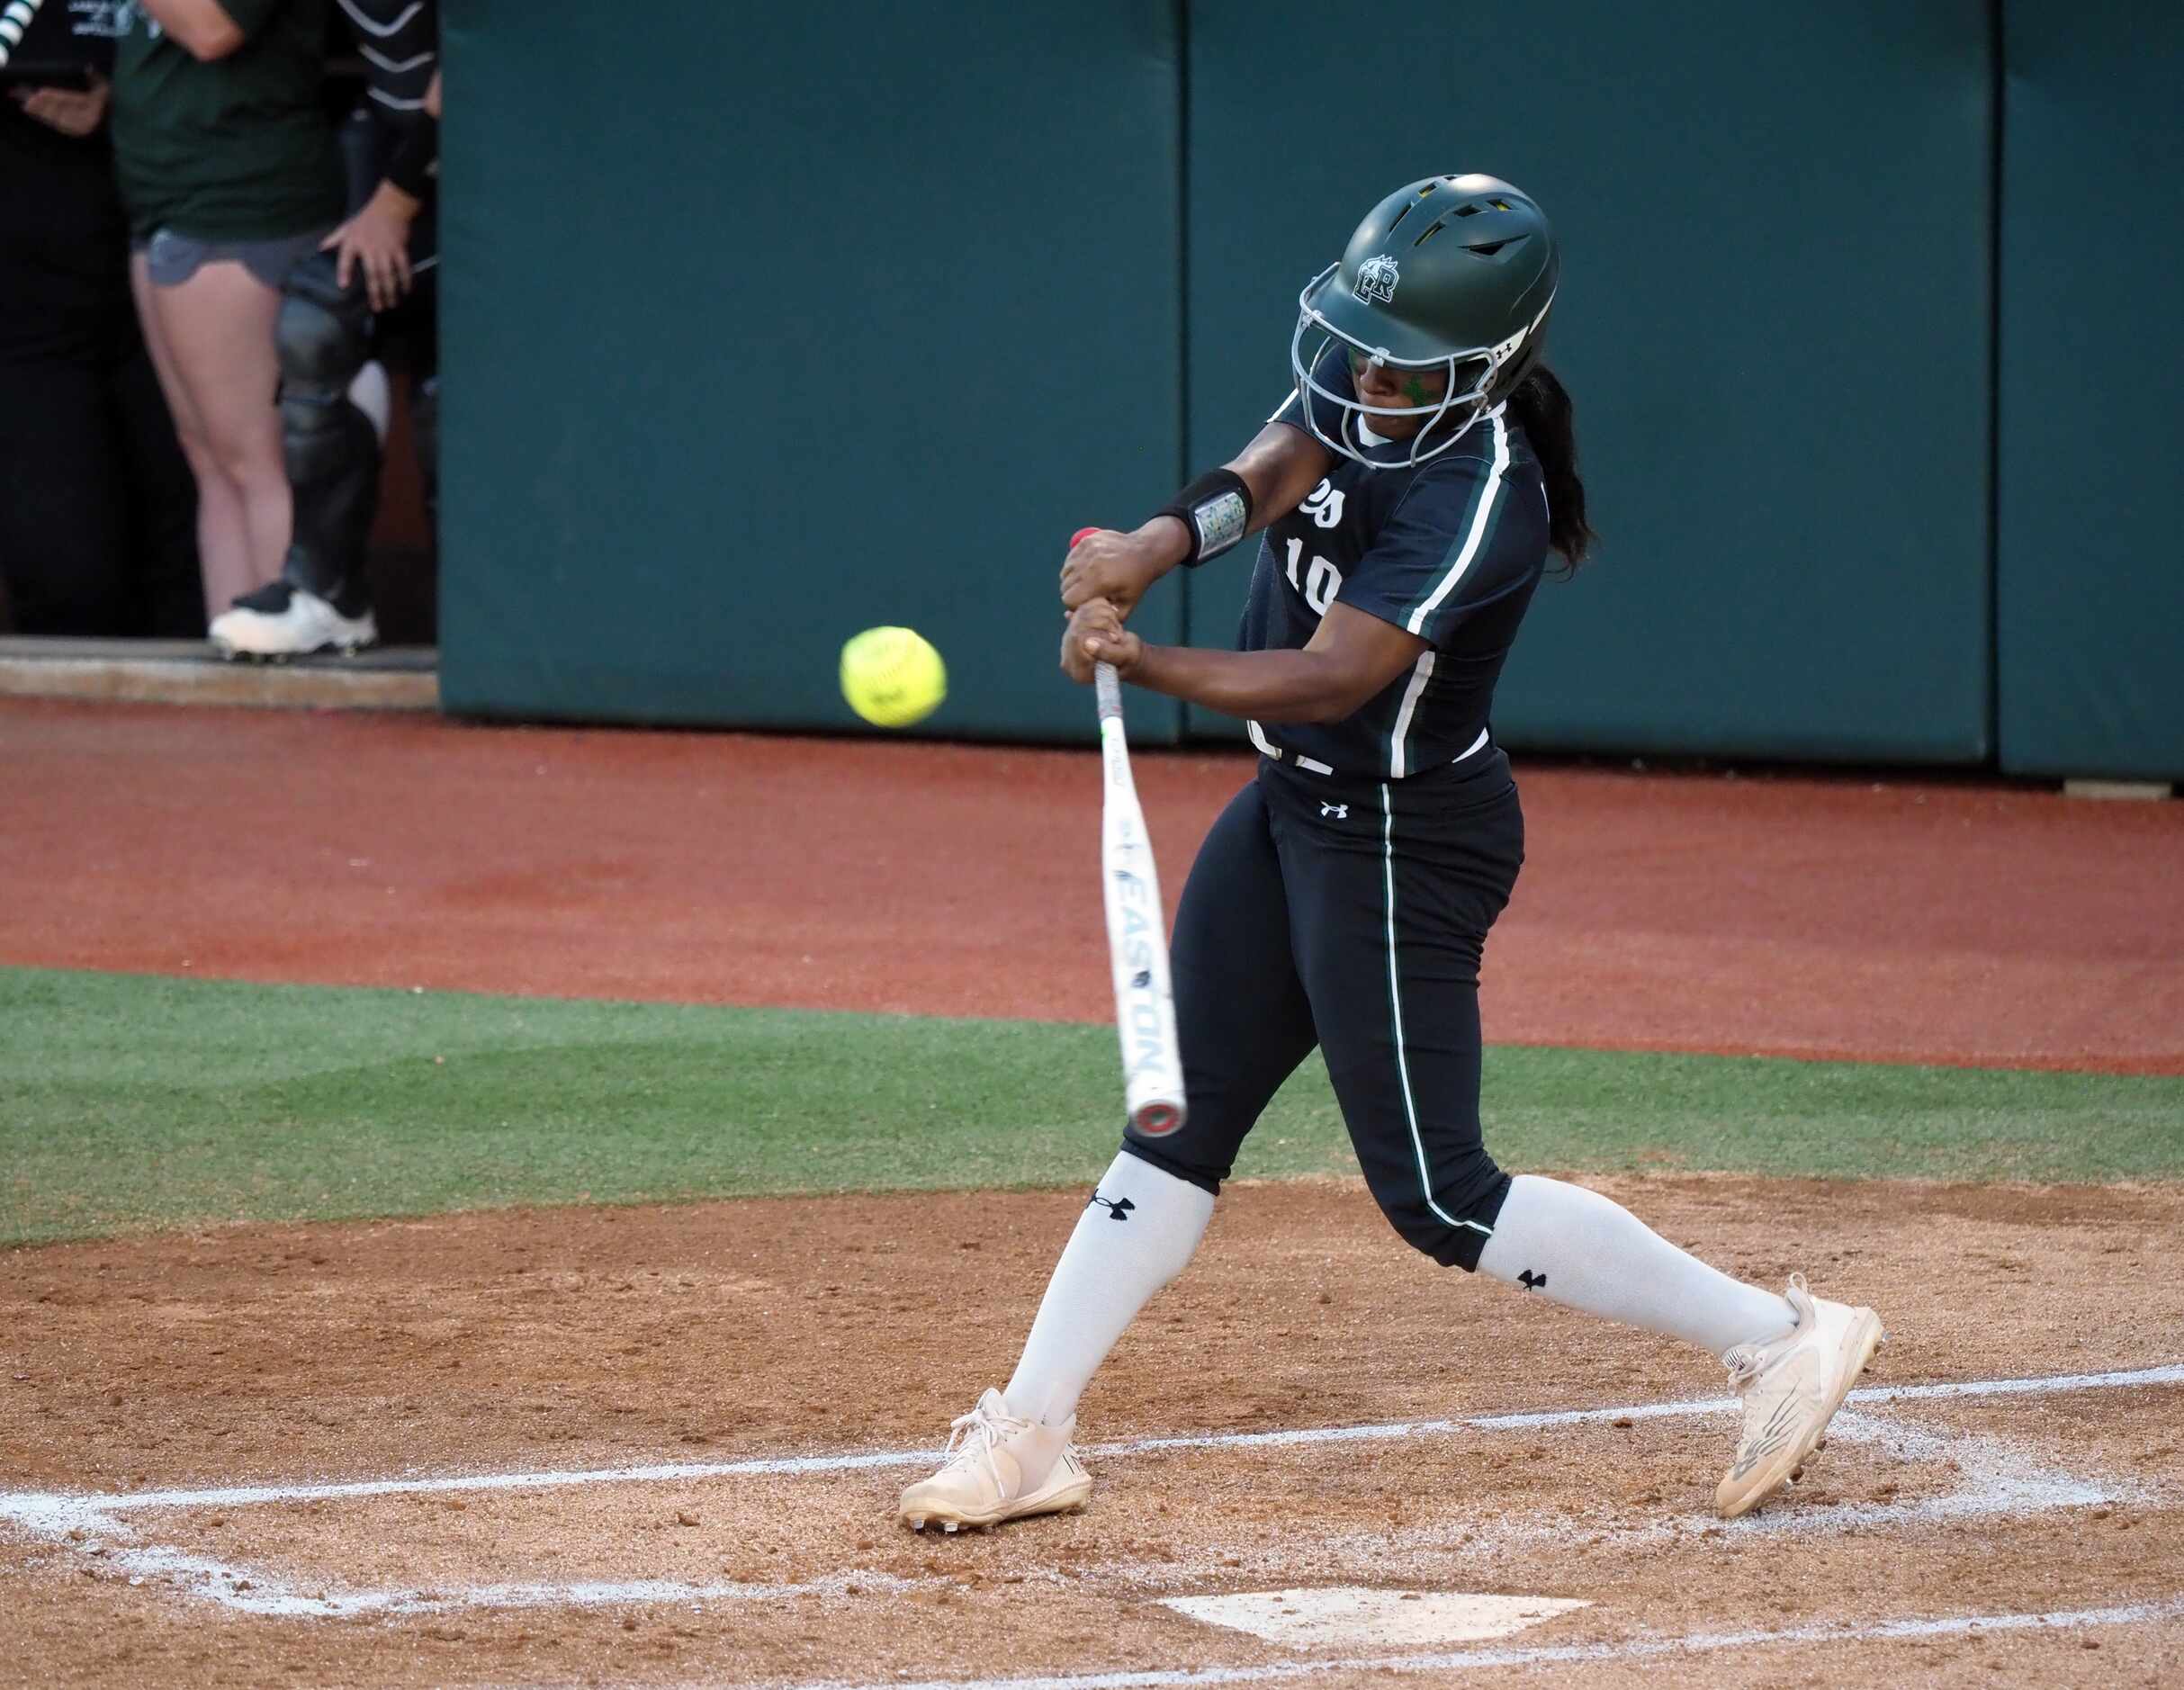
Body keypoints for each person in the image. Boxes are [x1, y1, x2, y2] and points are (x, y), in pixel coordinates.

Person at [896, 175, 1885, 1535]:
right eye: (1362, 342)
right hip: (1289, 813)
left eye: (1401, 359)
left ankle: (1777, 1333)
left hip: (1398, 840)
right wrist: (1149, 545)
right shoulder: (1366, 387)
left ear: (1480, 367)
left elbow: (1329, 677)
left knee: (1435, 1193)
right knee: (1171, 1126)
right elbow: (1267, 467)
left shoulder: (1484, 495)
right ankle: (1028, 1431)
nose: (1367, 372)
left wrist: (1143, 655)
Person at [210, 0, 440, 659]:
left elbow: (480, 65)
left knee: (459, 384)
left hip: (511, 169)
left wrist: (392, 207)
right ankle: (328, 595)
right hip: (399, 155)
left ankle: (483, 617)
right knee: (319, 321)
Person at [109, 0, 344, 628]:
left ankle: (294, 650)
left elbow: (214, 30)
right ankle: (238, 656)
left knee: (256, 457)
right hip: (166, 198)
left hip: (241, 202)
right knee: (208, 458)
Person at [0, 5, 199, 636]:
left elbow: (240, 73)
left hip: (178, 278)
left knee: (185, 550)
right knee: (66, 570)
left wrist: (122, 107)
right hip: (25, 309)